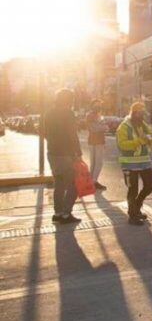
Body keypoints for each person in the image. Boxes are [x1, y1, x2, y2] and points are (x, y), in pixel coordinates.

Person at [44, 89, 83, 224]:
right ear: (69, 100)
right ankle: (66, 213)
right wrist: (78, 153)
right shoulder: (68, 113)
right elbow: (73, 134)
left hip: (52, 153)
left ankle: (58, 213)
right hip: (66, 154)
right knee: (75, 184)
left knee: (59, 184)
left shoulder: (48, 113)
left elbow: (43, 132)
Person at [116, 102, 152, 225]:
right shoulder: (124, 126)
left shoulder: (143, 125)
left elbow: (151, 136)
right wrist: (140, 141)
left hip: (144, 162)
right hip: (129, 164)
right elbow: (122, 145)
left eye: (143, 113)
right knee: (132, 189)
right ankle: (132, 215)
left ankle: (137, 206)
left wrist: (151, 138)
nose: (142, 115)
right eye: (140, 113)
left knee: (150, 184)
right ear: (133, 112)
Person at [86, 99, 109, 190]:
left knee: (95, 163)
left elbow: (102, 127)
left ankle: (92, 181)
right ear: (92, 106)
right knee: (97, 163)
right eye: (96, 105)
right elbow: (93, 128)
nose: (98, 107)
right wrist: (103, 127)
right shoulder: (90, 115)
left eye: (99, 105)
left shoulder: (99, 116)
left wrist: (102, 127)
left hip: (98, 140)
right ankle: (94, 181)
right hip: (95, 141)